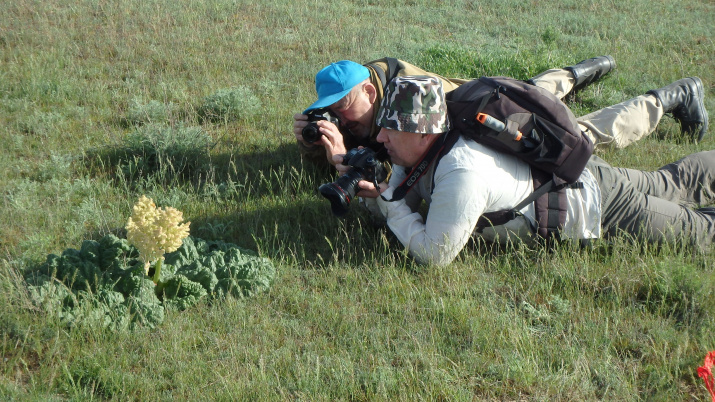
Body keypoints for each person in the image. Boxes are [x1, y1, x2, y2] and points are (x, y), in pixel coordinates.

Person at [357, 76, 713, 266]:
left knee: (699, 232)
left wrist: (392, 206)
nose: (381, 137)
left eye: (391, 129)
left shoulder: (461, 173)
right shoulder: (430, 145)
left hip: (598, 204)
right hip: (584, 176)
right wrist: (377, 193)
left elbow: (435, 255)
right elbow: (399, 200)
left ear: (424, 133)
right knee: (668, 183)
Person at [293, 57, 708, 168]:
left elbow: (408, 158)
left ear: (370, 91)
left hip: (486, 121)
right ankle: (581, 71)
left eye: (341, 106)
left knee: (578, 139)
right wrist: (315, 143)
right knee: (534, 90)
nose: (337, 116)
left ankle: (670, 98)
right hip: (487, 99)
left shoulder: (408, 100)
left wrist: (344, 155)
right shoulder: (367, 94)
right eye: (327, 110)